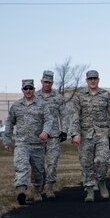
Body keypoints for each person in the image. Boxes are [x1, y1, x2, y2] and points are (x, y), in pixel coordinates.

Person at [70, 70, 110, 202]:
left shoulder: (106, 95)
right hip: (85, 134)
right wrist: (75, 134)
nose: (92, 81)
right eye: (90, 79)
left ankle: (101, 181)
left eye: (95, 78)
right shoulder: (79, 96)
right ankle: (90, 191)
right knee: (86, 164)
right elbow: (75, 116)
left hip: (102, 133)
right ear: (86, 80)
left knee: (102, 161)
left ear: (98, 80)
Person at [3, 79, 52, 205]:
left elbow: (48, 120)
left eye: (30, 88)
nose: (28, 90)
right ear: (22, 90)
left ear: (34, 89)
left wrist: (45, 132)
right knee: (21, 165)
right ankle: (21, 191)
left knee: (38, 169)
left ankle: (36, 191)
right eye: (26, 88)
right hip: (22, 143)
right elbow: (9, 123)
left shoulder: (42, 104)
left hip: (38, 144)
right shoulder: (16, 106)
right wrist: (7, 141)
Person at [35, 70, 67, 198]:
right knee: (38, 163)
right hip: (38, 136)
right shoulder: (35, 96)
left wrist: (64, 131)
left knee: (52, 162)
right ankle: (38, 187)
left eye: (49, 82)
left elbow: (64, 115)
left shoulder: (58, 97)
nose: (47, 84)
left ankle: (49, 188)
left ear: (52, 83)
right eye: (45, 82)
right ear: (41, 81)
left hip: (53, 135)